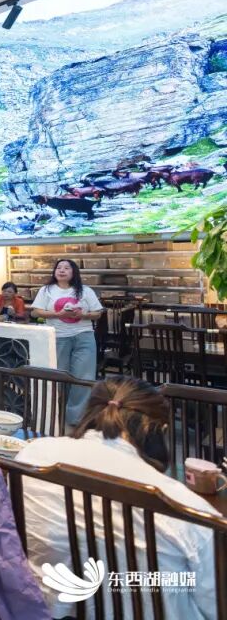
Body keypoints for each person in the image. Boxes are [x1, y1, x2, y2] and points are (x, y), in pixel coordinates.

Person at [16, 378, 219, 619]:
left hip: (41, 609)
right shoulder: (189, 511)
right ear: (159, 429)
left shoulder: (34, 455)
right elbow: (216, 604)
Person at [30, 258, 103, 426]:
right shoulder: (46, 290)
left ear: (74, 272)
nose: (62, 270)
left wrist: (82, 315)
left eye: (66, 268)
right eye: (59, 267)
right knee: (60, 375)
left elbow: (97, 313)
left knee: (83, 377)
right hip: (57, 336)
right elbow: (36, 312)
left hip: (84, 336)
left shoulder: (85, 290)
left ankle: (77, 418)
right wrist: (58, 314)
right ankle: (57, 412)